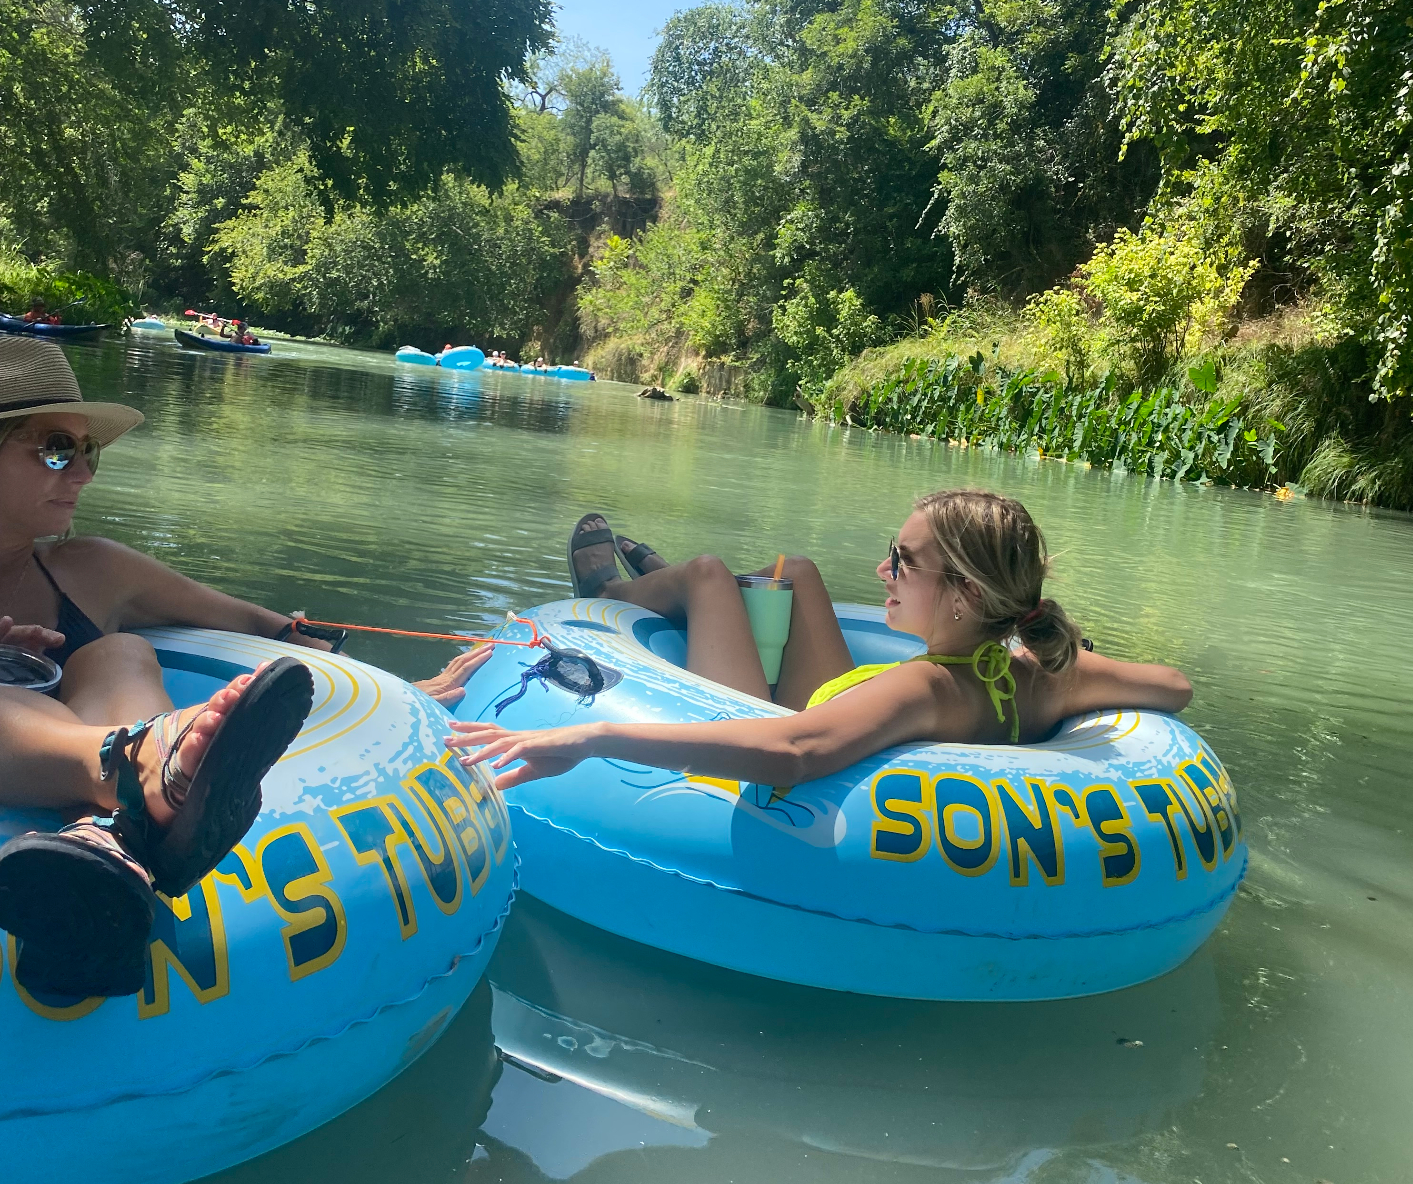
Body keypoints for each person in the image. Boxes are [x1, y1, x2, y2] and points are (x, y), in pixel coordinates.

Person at [0, 337, 485, 998]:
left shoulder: (89, 569)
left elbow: (269, 628)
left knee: (120, 653)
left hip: (87, 746)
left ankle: (113, 828)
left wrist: (398, 698)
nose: (83, 472)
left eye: (90, 452)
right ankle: (140, 775)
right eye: (57, 448)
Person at [446, 493, 1193, 793]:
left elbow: (797, 753)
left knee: (708, 577)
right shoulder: (1039, 672)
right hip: (844, 701)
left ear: (965, 596)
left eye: (902, 562)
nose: (882, 572)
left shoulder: (927, 688)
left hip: (764, 716)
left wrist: (594, 737)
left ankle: (617, 594)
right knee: (795, 573)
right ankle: (662, 577)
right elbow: (1171, 687)